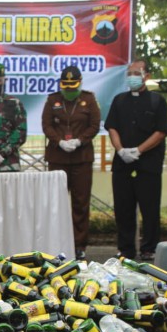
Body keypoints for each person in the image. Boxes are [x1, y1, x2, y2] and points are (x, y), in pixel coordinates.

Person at [105, 59, 167, 261]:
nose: (132, 77)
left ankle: (149, 248)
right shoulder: (119, 100)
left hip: (148, 165)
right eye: (129, 73)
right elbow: (112, 127)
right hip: (122, 164)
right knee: (123, 208)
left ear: (146, 76)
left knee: (149, 209)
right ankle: (126, 250)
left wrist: (138, 150)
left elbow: (160, 132)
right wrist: (121, 150)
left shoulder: (157, 101)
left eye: (136, 73)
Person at [41, 66, 101, 260]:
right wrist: (59, 141)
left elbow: (94, 125)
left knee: (80, 203)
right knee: (56, 203)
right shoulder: (53, 100)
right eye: (65, 87)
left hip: (81, 158)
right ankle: (56, 242)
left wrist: (79, 140)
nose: (69, 90)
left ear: (80, 83)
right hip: (58, 157)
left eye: (72, 87)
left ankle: (79, 245)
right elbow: (46, 124)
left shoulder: (89, 99)